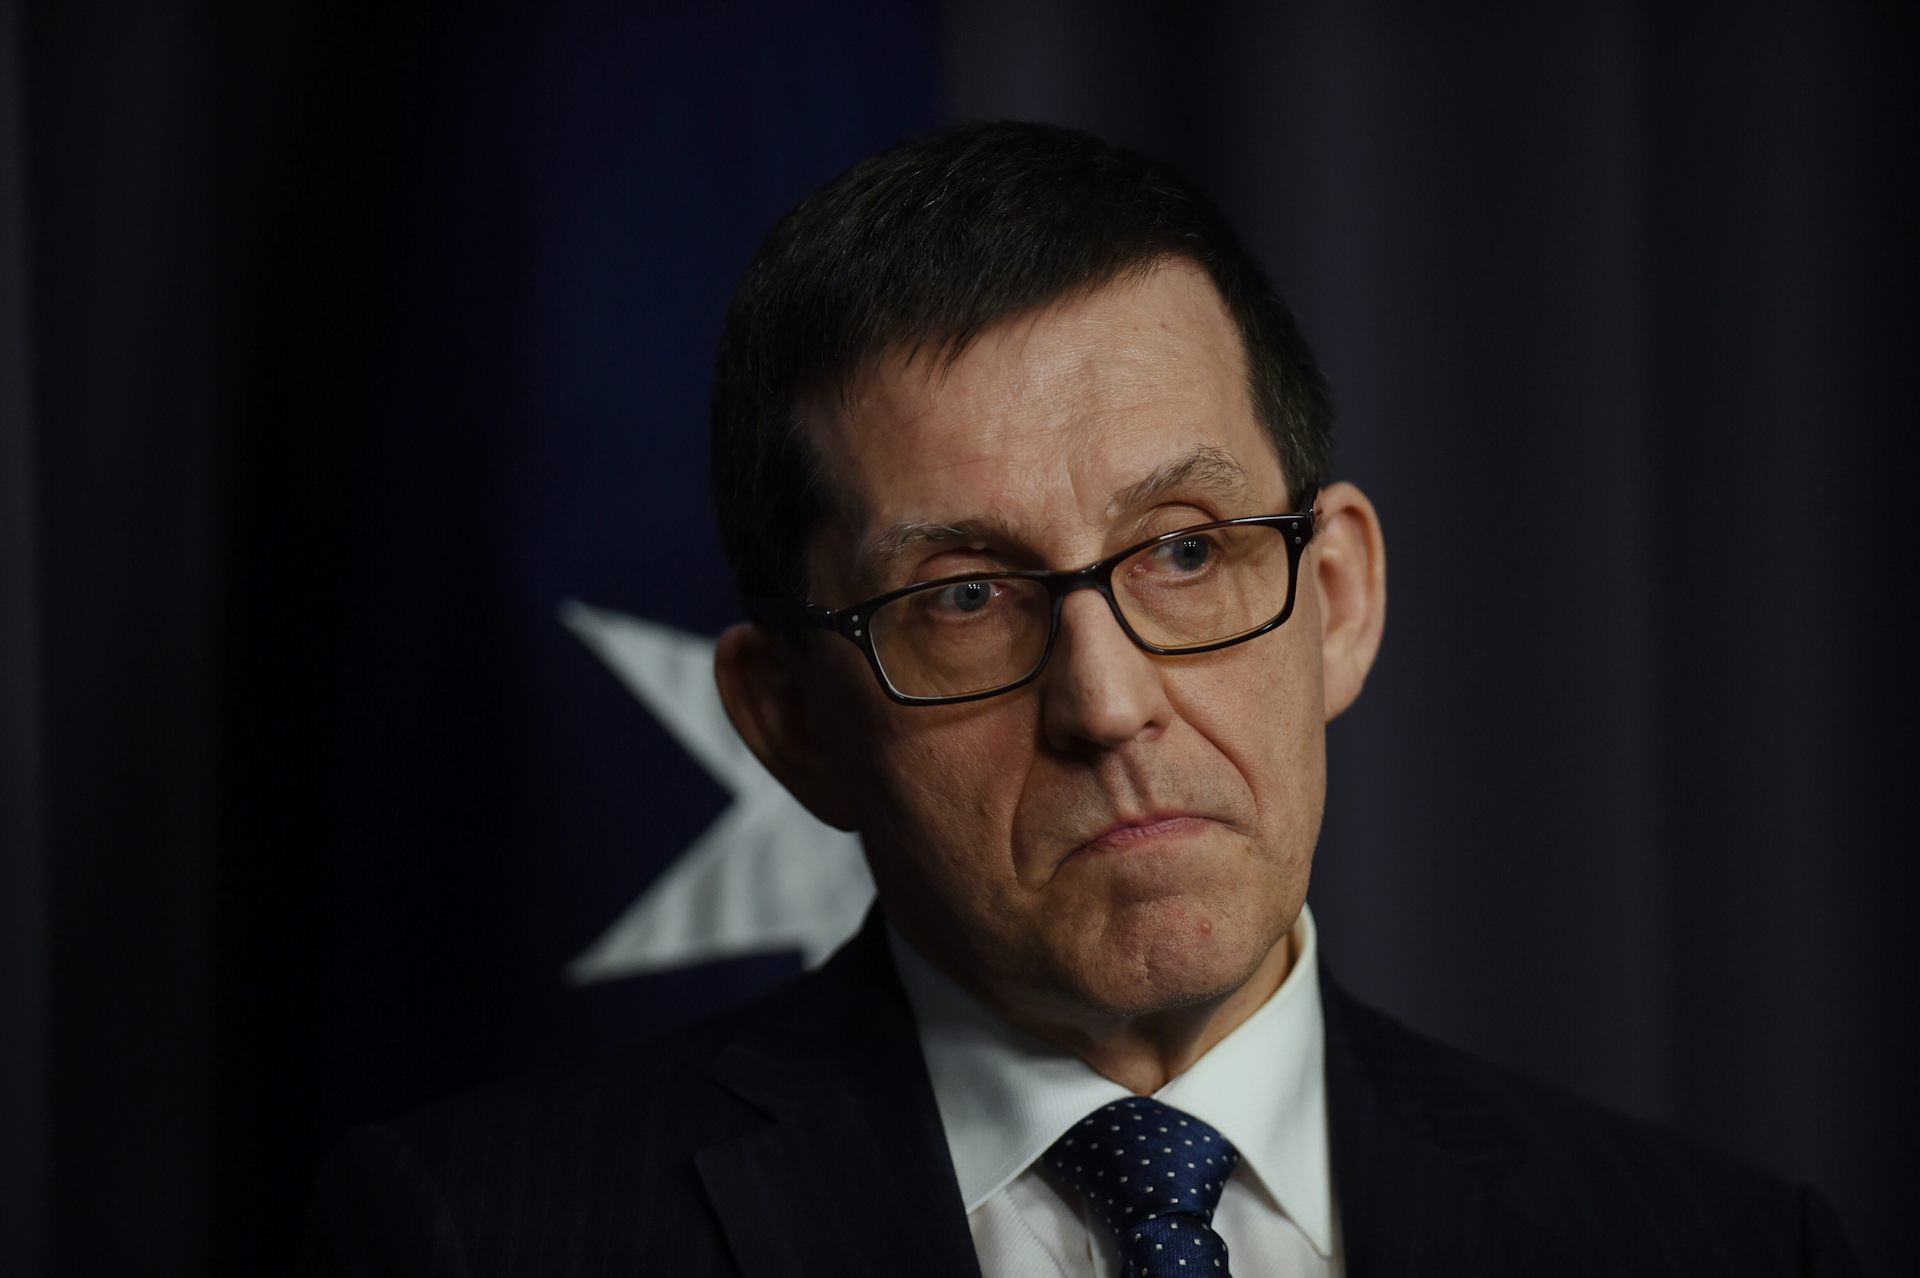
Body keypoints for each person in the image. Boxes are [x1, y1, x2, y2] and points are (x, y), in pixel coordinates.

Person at [300, 122, 1858, 1277]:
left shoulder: (1724, 1249)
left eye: (1183, 549)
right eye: (964, 597)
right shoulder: (474, 1240)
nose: (1108, 705)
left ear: (1335, 599)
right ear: (789, 721)